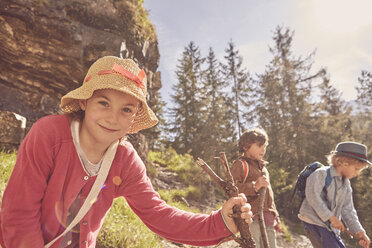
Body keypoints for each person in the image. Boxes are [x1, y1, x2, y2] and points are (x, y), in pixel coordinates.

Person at [0, 56, 252, 248]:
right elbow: (19, 214)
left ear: (133, 119)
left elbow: (158, 214)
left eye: (126, 109)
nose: (113, 118)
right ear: (84, 102)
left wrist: (219, 223)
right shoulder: (49, 134)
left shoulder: (125, 160)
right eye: (103, 103)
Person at [298, 141, 371, 248]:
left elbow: (348, 210)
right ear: (341, 162)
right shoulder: (321, 173)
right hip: (314, 222)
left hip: (331, 229)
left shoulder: (346, 184)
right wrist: (331, 218)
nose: (357, 173)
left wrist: (359, 231)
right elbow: (312, 196)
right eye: (356, 169)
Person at [230, 128, 281, 248]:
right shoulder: (240, 165)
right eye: (259, 145)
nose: (263, 149)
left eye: (265, 146)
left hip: (268, 217)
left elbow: (269, 194)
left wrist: (275, 215)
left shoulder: (263, 168)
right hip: (250, 217)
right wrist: (254, 186)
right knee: (254, 245)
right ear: (245, 147)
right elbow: (231, 190)